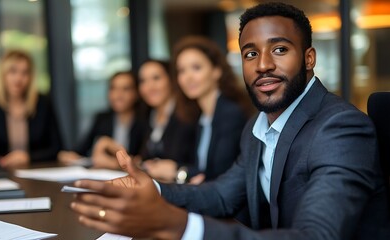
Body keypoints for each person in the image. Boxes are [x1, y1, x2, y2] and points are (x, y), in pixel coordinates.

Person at [70, 2, 389, 240]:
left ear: (309, 58)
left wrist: (178, 224)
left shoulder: (341, 127)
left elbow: (316, 236)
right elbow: (221, 195)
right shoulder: (256, 128)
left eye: (279, 49)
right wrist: (151, 187)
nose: (263, 65)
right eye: (250, 54)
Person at [143, 37, 250, 183]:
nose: (188, 77)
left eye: (196, 68)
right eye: (182, 71)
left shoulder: (230, 114)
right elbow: (203, 169)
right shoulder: (202, 116)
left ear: (216, 71)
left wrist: (178, 171)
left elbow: (221, 175)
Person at [0, 50, 61, 169]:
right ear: (3, 75)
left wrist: (28, 157)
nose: (18, 78)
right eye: (13, 72)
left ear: (31, 77)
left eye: (25, 73)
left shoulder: (43, 103)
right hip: (3, 170)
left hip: (38, 169)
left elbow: (57, 148)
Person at [57, 71, 143, 169]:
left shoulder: (144, 121)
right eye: (113, 88)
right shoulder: (102, 118)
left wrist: (108, 145)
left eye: (125, 89)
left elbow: (140, 159)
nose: (118, 95)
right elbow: (82, 149)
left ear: (136, 93)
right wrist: (70, 155)